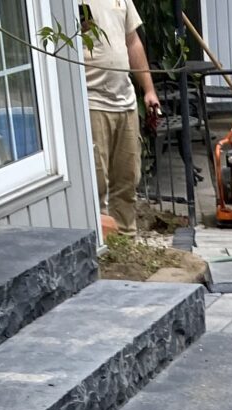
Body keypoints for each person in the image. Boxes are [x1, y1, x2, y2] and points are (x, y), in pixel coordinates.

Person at [82, 0, 161, 236]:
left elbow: (132, 41)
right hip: (92, 101)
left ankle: (126, 238)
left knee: (127, 179)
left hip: (125, 102)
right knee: (97, 183)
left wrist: (148, 90)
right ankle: (103, 244)